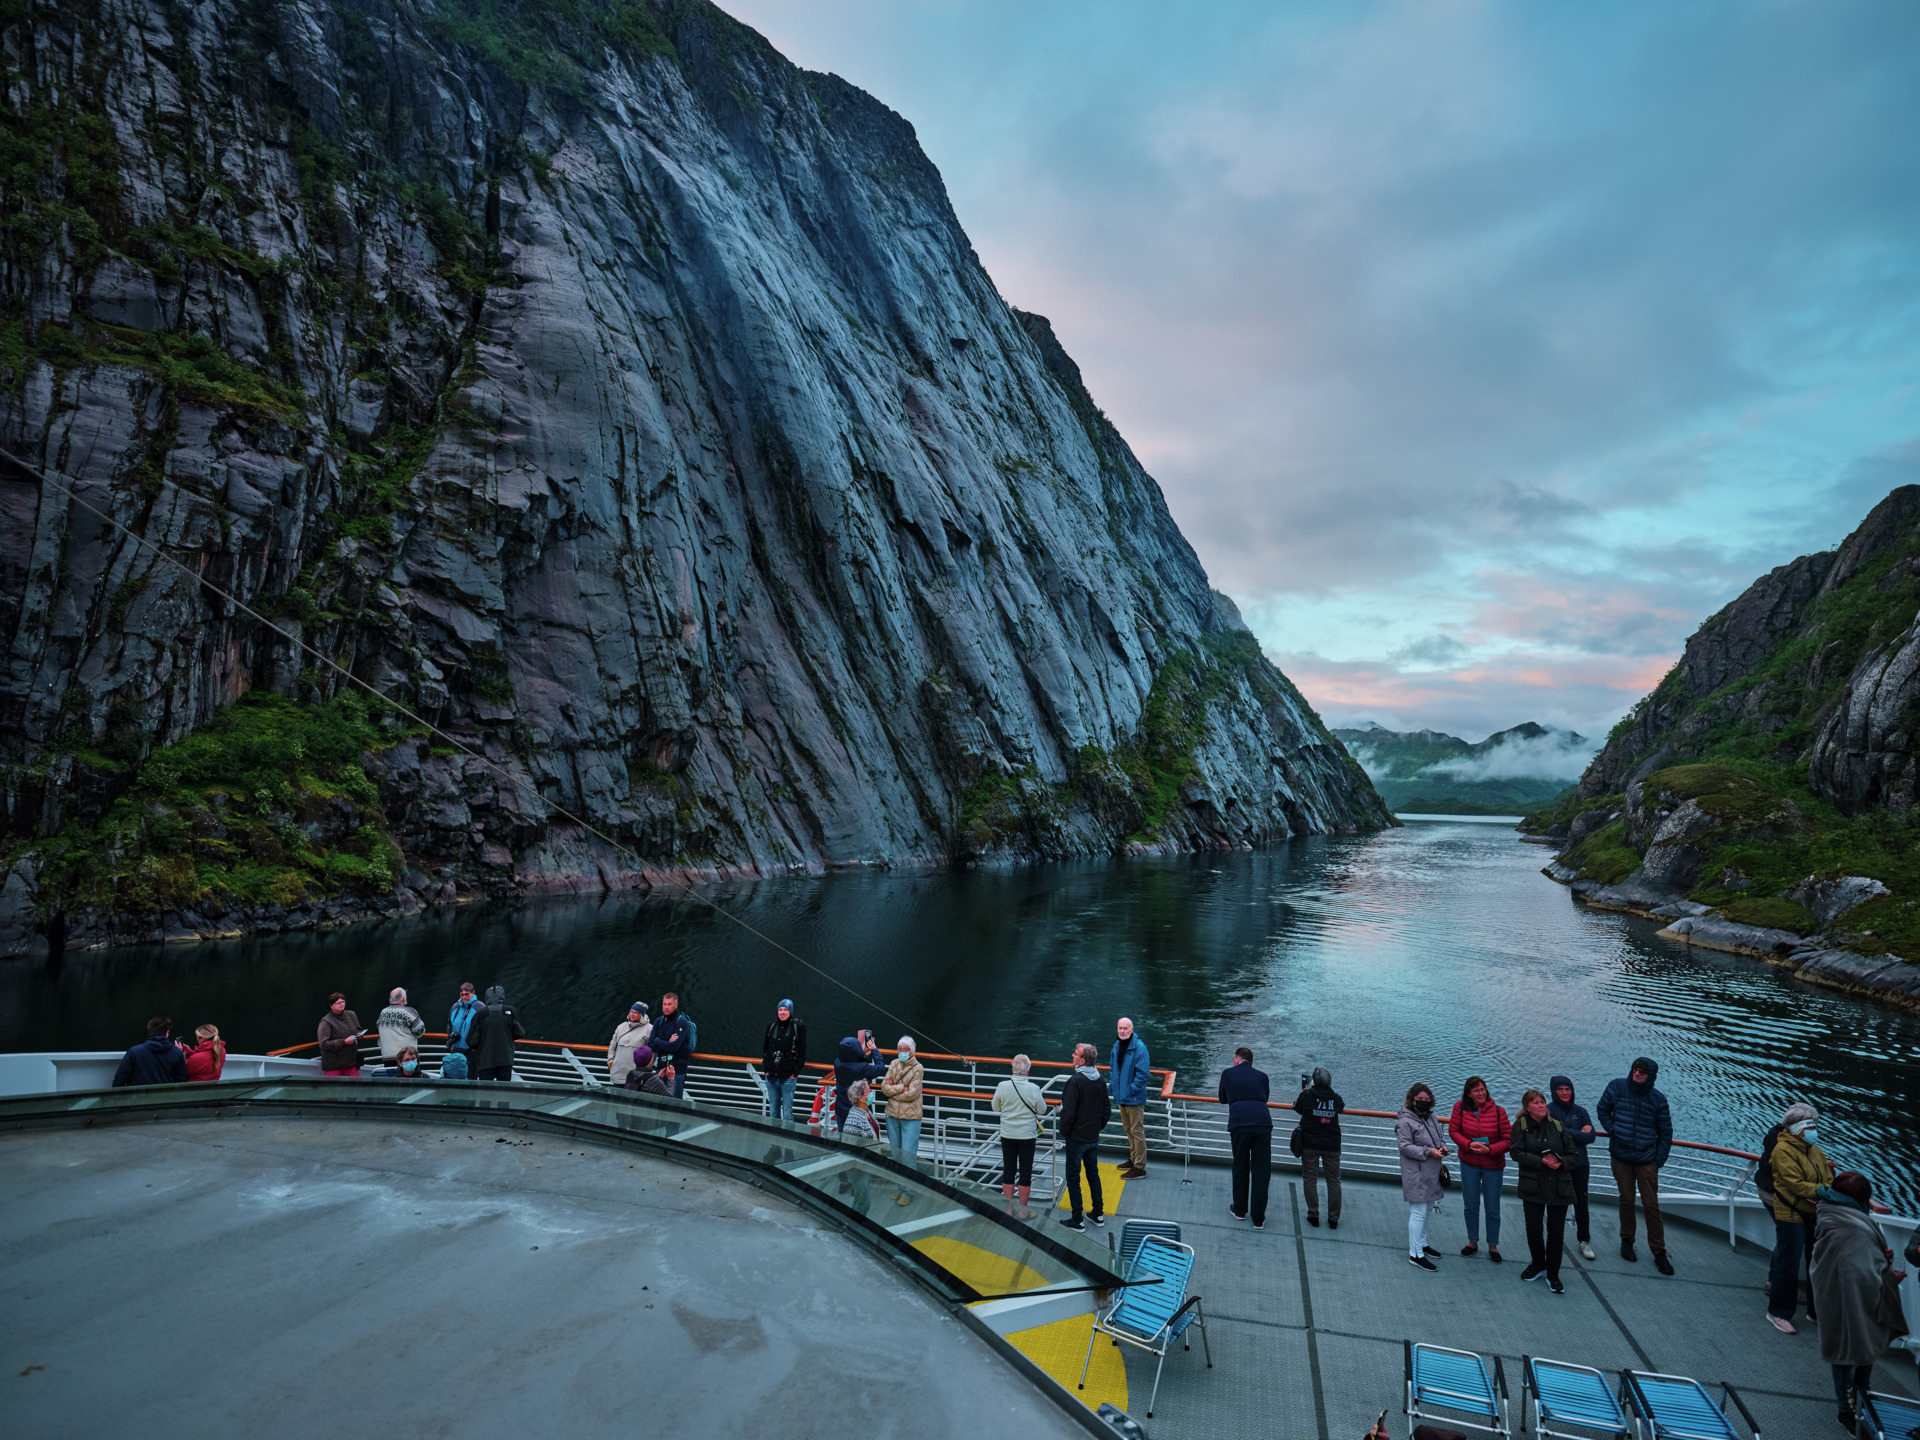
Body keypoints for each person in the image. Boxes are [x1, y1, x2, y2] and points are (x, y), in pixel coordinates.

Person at [1809, 1171, 1908, 1433]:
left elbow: (1851, 1258)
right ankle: (1847, 1410)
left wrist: (1881, 1253)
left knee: (1848, 1348)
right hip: (1850, 1298)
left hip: (1833, 1292)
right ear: (1862, 1199)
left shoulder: (1831, 1212)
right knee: (1847, 1352)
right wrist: (1890, 1278)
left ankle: (1862, 1395)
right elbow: (1860, 1272)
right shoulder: (1853, 1226)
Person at [1596, 1055, 1674, 1273]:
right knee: (1626, 1200)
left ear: (1651, 1076)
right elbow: (1602, 1109)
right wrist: (1613, 1130)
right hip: (1620, 1157)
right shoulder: (1616, 1087)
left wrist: (1658, 1160)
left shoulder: (1658, 1100)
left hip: (1646, 1161)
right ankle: (1627, 1242)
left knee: (1651, 1206)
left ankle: (1659, 1252)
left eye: (1642, 1072)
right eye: (1635, 1069)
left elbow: (1666, 1133)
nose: (1637, 1074)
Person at [1766, 1103, 1831, 1334]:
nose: (1814, 1131)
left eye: (1814, 1127)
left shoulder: (1816, 1152)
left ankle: (1816, 1311)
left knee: (1817, 1263)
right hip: (1791, 1214)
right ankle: (1778, 1312)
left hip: (1814, 1214)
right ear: (1796, 1128)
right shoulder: (1782, 1151)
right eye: (1809, 1127)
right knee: (1788, 1264)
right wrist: (1823, 1191)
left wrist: (1827, 1187)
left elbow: (1828, 1177)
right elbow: (1795, 1184)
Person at [1510, 1088, 1576, 1293]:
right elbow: (1516, 1152)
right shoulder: (1520, 1126)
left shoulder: (1557, 1126)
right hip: (1533, 1185)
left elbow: (1574, 1156)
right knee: (1534, 1229)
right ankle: (1538, 1264)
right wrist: (1541, 1161)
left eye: (1542, 1101)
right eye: (1536, 1102)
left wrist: (1560, 1161)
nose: (1541, 1105)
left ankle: (1553, 1273)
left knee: (1556, 1232)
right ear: (1527, 1107)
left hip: (1559, 1185)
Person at [1449, 1075, 1510, 1261]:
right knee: (1470, 1205)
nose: (1480, 1093)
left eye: (1482, 1089)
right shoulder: (1459, 1108)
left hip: (1493, 1166)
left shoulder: (1499, 1111)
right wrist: (1468, 1145)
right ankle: (1472, 1242)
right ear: (1469, 1093)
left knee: (1492, 1207)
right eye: (1476, 1090)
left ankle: (1493, 1246)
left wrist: (1489, 1150)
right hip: (1469, 1164)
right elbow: (1454, 1131)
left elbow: (1508, 1140)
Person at [1396, 1083, 1449, 1271]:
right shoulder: (1405, 1121)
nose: (1425, 1102)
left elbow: (1439, 1138)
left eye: (1427, 1100)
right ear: (1412, 1100)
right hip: (1416, 1172)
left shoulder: (1432, 1118)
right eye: (1421, 1100)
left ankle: (1422, 1244)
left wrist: (1442, 1147)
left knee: (1427, 1210)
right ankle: (1415, 1254)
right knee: (1418, 1212)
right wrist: (1429, 1152)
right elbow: (1404, 1147)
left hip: (1432, 1171)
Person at [1058, 1042, 1110, 1231]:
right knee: (1093, 1175)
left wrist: (1065, 1132)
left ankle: (1077, 1219)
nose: (1072, 1055)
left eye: (1075, 1054)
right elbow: (1106, 1110)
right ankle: (1098, 1214)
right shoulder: (1100, 1079)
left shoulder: (1075, 1081)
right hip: (1092, 1137)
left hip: (1076, 1138)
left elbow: (1068, 1112)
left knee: (1073, 1178)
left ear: (1082, 1061)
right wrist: (1096, 1128)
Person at [1222, 1047, 1274, 1230]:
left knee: (1240, 1166)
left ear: (1237, 1059)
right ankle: (1258, 1219)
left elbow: (1222, 1098)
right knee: (1261, 1171)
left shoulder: (1228, 1074)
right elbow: (1264, 1098)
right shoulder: (1262, 1076)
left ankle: (1239, 1210)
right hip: (1262, 1124)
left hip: (1240, 1124)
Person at [1546, 1074, 1597, 1261]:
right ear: (1554, 1091)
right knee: (1557, 1202)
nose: (1564, 1092)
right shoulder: (1549, 1110)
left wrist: (1567, 1132)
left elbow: (1590, 1136)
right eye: (1560, 1089)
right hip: (1559, 1163)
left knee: (1581, 1202)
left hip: (1580, 1163)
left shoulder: (1581, 1111)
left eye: (1567, 1089)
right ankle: (1555, 1239)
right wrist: (1577, 1133)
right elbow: (1555, 1135)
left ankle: (1584, 1240)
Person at [992, 1055, 1048, 1219]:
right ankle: (1023, 1211)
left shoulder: (1002, 1086)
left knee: (1008, 1169)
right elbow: (1042, 1110)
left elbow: (995, 1108)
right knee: (1025, 1172)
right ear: (1028, 1071)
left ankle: (1009, 1210)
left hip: (1007, 1133)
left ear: (1012, 1070)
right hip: (1027, 1136)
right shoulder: (1034, 1088)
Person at [1293, 1065, 1345, 1228]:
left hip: (1310, 1143)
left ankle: (1313, 1215)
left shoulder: (1307, 1095)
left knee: (1310, 1178)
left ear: (1314, 1081)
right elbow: (1341, 1107)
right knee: (1334, 1180)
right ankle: (1333, 1219)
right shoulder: (1335, 1098)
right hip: (1332, 1144)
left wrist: (1305, 1091)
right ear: (1330, 1082)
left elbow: (1297, 1108)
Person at [1110, 1017, 1152, 1178]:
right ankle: (1134, 1159)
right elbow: (1113, 1070)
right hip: (1122, 1096)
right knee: (1129, 1130)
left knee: (1137, 1131)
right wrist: (1116, 1088)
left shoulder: (1139, 1048)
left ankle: (1140, 1167)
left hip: (1133, 1098)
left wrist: (1131, 1090)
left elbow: (1143, 1074)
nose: (1122, 1031)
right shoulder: (1116, 1046)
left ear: (1132, 1030)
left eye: (1125, 1028)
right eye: (1120, 1028)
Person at [761, 999, 806, 1122]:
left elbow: (802, 1052)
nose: (782, 1012)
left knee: (787, 1114)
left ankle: (788, 1133)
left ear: (790, 1011)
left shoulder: (798, 1027)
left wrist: (795, 1073)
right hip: (771, 1076)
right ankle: (774, 1133)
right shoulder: (771, 1026)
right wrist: (766, 1070)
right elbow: (765, 1049)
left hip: (788, 1077)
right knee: (773, 1111)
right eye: (780, 1009)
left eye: (785, 1009)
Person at [832, 1030, 888, 1127]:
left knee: (842, 1135)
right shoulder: (863, 1068)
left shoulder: (838, 1063)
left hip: (841, 1111)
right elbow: (880, 1068)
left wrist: (862, 1053)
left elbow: (851, 1059)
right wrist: (874, 1050)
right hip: (860, 1112)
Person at [880, 1037, 924, 1159]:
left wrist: (892, 1090)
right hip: (892, 1114)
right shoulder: (894, 1063)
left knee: (908, 1157)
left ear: (912, 1051)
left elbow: (912, 1094)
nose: (902, 1052)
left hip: (911, 1116)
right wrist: (902, 1088)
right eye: (900, 1049)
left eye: (906, 1049)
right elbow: (884, 1087)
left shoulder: (918, 1068)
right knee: (895, 1155)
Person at [470, 985, 524, 1082]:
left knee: (485, 1088)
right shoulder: (511, 1011)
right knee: (504, 1088)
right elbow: (520, 1032)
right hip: (505, 1058)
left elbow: (472, 1040)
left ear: (487, 997)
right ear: (502, 996)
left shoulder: (480, 1013)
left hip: (485, 1059)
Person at [112, 1017, 187, 1087]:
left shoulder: (134, 1052)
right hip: (166, 1096)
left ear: (150, 1032)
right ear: (167, 1033)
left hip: (139, 1096)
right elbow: (181, 1081)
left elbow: (119, 1080)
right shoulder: (177, 1053)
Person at [650, 993, 694, 1099]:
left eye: (669, 1004)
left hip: (677, 1069)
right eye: (664, 1004)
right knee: (656, 1098)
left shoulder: (682, 1022)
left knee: (675, 1101)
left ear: (676, 1005)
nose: (666, 1007)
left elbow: (674, 1047)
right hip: (661, 1067)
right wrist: (667, 1041)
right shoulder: (658, 1021)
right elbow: (651, 1045)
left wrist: (658, 1040)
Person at [317, 993, 364, 1076]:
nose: (342, 1004)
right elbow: (324, 1044)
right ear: (331, 1006)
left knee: (356, 1084)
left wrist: (359, 1034)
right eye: (339, 1003)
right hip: (334, 1066)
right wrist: (344, 1042)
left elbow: (358, 1028)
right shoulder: (325, 1022)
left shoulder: (351, 1014)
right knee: (336, 1085)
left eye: (343, 1002)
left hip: (351, 1063)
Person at [608, 1002, 652, 1087]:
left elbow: (652, 1052)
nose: (632, 1014)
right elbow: (612, 1045)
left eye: (636, 1012)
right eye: (631, 1011)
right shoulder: (621, 1027)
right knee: (617, 1094)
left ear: (642, 1015)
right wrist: (610, 1061)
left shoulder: (649, 1029)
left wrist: (646, 1068)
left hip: (636, 1074)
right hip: (618, 1071)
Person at [377, 988, 425, 1059]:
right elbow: (419, 1031)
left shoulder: (383, 1012)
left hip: (387, 1058)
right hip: (406, 1058)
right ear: (403, 998)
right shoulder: (408, 1012)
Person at [447, 982, 485, 1062]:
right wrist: (450, 1042)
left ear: (473, 992)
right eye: (462, 995)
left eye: (467, 994)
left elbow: (484, 1029)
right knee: (456, 1069)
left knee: (471, 1070)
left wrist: (477, 1047)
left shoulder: (480, 1007)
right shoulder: (455, 1006)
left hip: (472, 1050)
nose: (464, 997)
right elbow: (449, 1025)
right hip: (455, 1049)